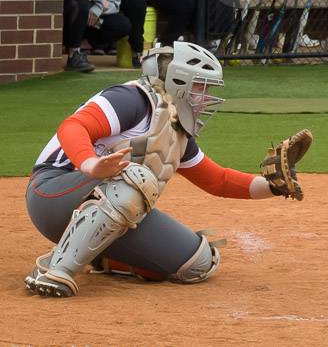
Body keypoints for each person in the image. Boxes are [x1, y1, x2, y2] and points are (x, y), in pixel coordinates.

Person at [24, 41, 311, 297]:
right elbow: (73, 126)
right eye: (201, 86)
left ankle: (98, 253)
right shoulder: (131, 99)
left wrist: (272, 186)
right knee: (134, 179)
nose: (205, 96)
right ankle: (54, 270)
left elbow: (218, 180)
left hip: (107, 201)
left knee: (197, 262)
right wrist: (91, 165)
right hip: (51, 192)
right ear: (178, 80)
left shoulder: (176, 128)